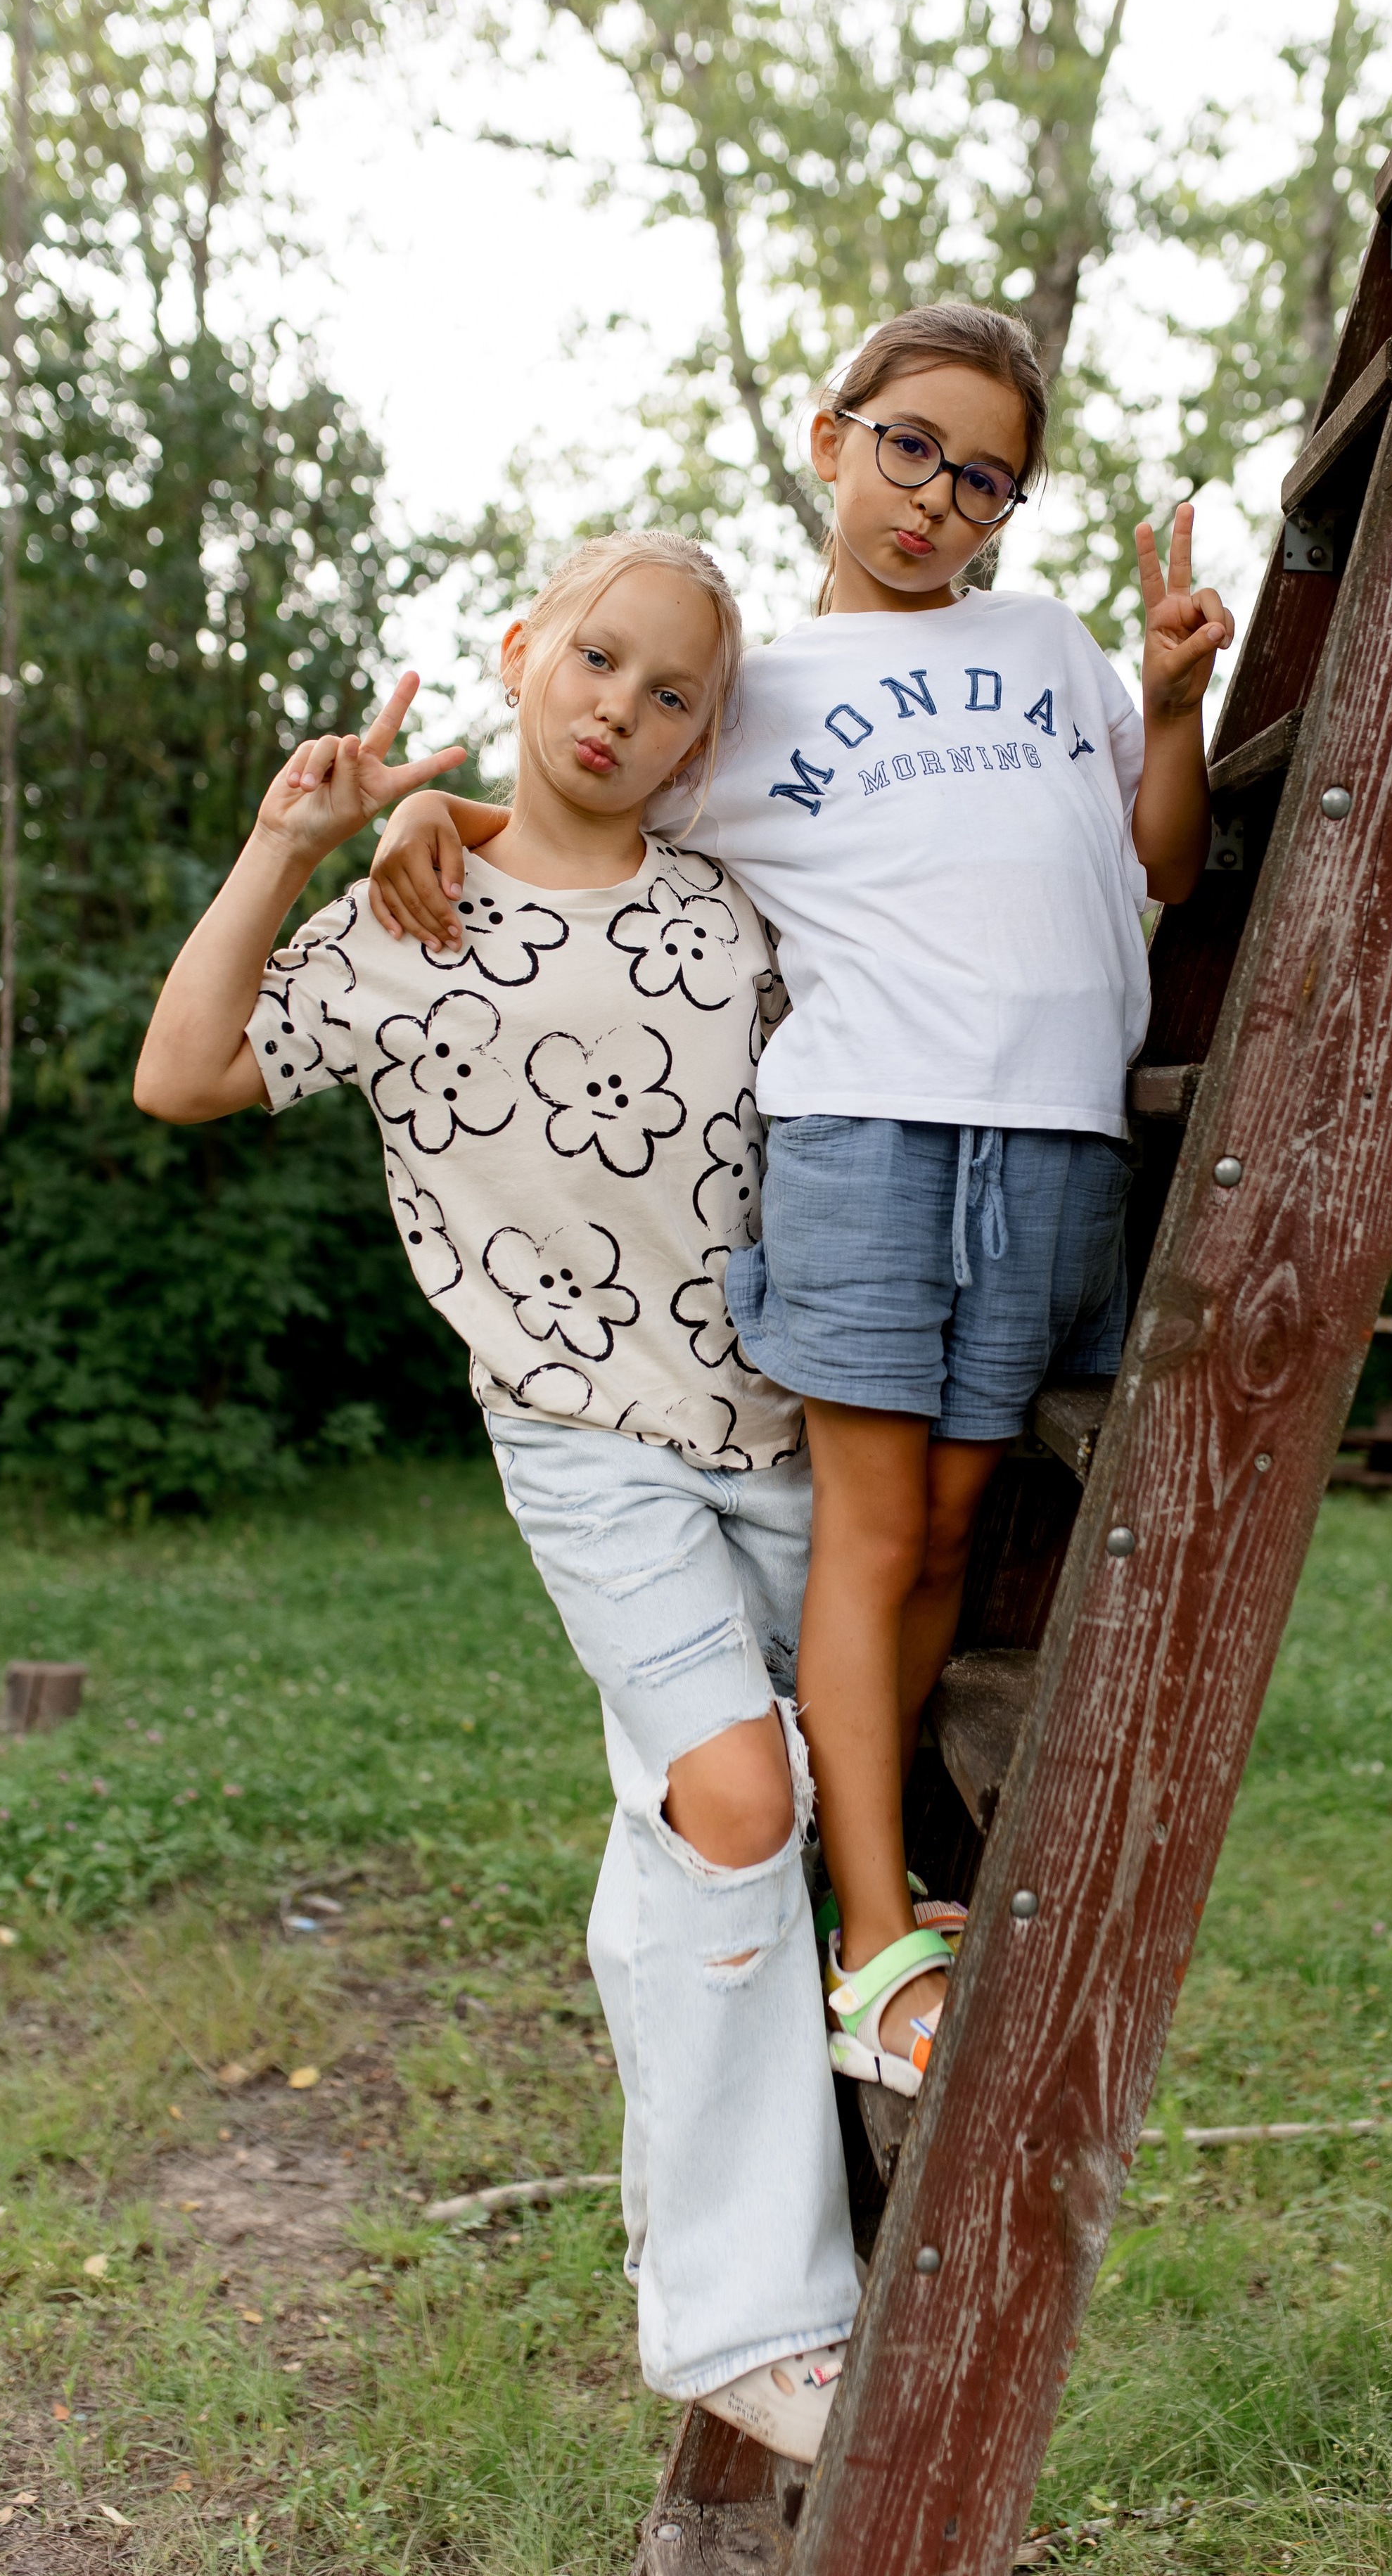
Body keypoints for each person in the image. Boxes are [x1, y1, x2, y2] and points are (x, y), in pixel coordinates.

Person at [370, 302, 1232, 2105]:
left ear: (1009, 510)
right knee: (866, 1538)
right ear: (831, 439)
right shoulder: (747, 696)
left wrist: (1168, 707)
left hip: (1055, 1142)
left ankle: (860, 1881)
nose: (936, 498)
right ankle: (866, 1940)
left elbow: (1158, 861)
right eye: (908, 446)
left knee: (939, 1531)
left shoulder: (1051, 645)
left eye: (984, 476)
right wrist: (424, 818)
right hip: (862, 1136)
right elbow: (581, 800)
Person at [132, 532, 860, 2461]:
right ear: (525, 654)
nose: (622, 706)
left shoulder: (738, 911)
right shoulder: (401, 920)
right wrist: (295, 841)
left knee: (707, 1834)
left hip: (786, 1434)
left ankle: (705, 2230)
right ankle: (750, 2321)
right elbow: (185, 1072)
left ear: (709, 733)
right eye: (597, 661)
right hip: (582, 1442)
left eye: (673, 690)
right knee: (735, 1790)